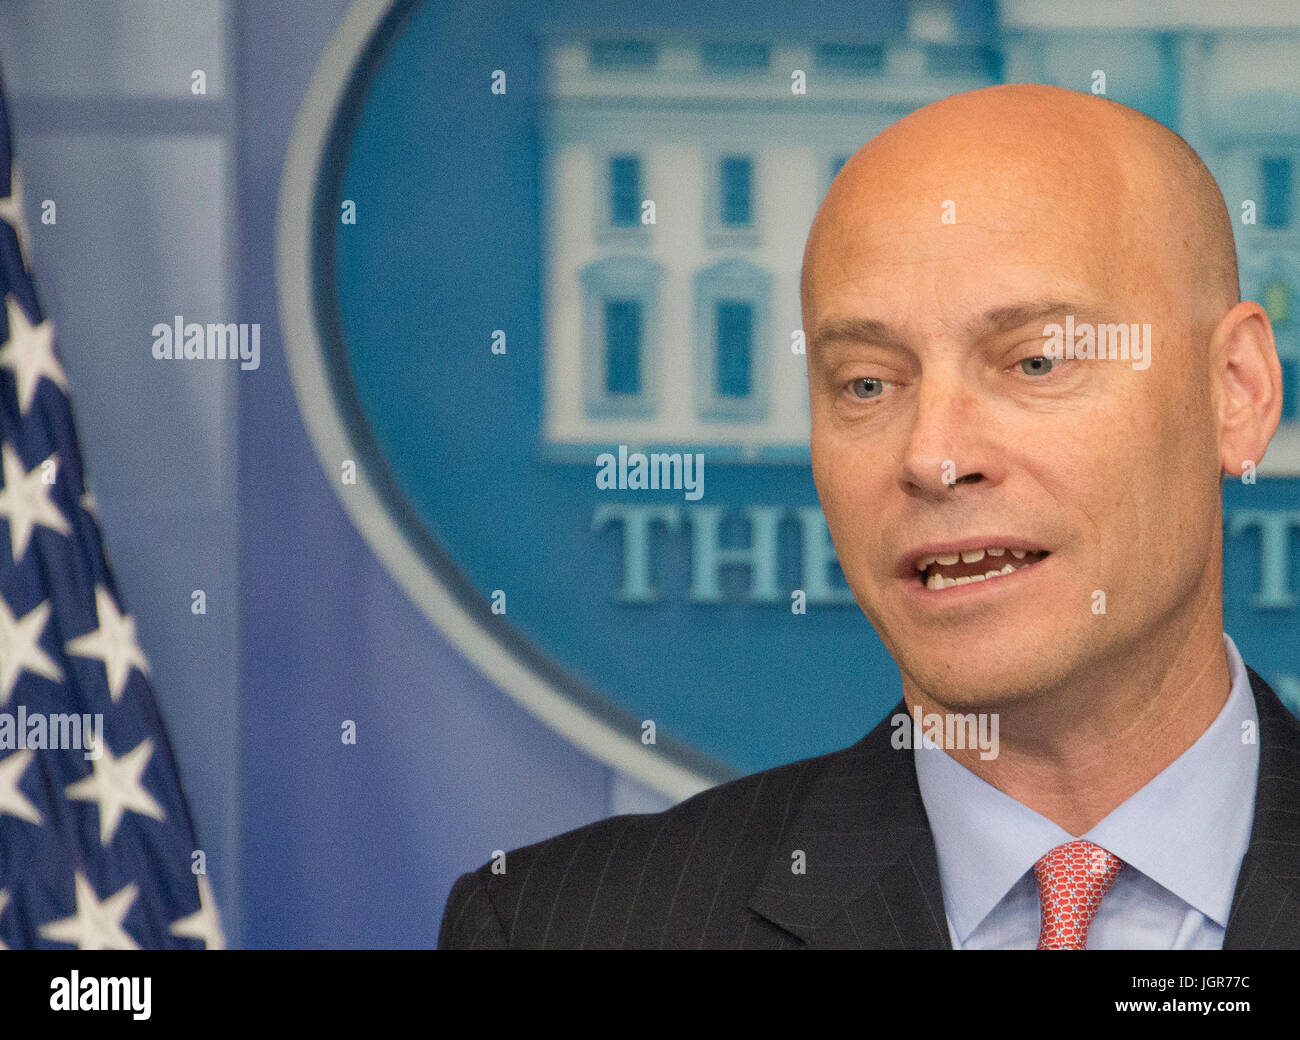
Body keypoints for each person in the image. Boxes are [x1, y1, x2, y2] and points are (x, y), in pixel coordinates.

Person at [438, 83, 1300, 949]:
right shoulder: (562, 927)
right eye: (867, 384)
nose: (932, 455)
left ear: (1237, 393)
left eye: (1035, 362)